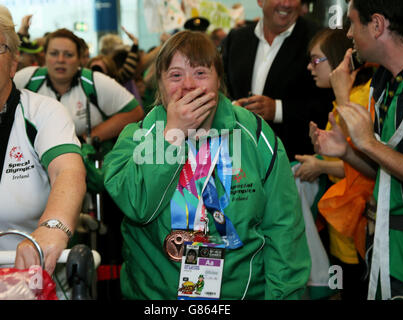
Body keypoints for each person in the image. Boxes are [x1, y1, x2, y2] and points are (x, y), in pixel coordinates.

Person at [103, 30, 310, 300]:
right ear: (160, 84)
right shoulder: (137, 136)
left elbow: (284, 228)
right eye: (175, 75)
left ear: (219, 80)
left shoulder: (255, 135)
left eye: (200, 73)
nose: (188, 85)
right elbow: (139, 207)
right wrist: (173, 135)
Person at [0, 1, 86, 276]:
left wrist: (52, 228)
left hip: (29, 279)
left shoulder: (43, 112)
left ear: (13, 61)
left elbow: (67, 170)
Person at [311, 0, 403, 300]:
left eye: (353, 23)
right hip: (381, 244)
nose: (349, 34)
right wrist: (348, 153)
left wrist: (368, 143)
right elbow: (383, 171)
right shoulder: (382, 82)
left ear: (377, 25)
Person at [295, 28, 374, 300]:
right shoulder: (348, 99)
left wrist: (321, 167)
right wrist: (320, 155)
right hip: (341, 226)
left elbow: (372, 168)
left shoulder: (360, 100)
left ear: (340, 60)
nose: (310, 67)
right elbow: (343, 155)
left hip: (358, 226)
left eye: (317, 60)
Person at [221, 0, 333, 162]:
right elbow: (221, 88)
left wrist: (278, 110)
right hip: (240, 159)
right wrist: (232, 108)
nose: (286, 4)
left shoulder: (318, 40)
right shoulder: (236, 39)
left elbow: (328, 103)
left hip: (294, 165)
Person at [13, 28, 144, 143]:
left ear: (80, 59)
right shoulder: (26, 79)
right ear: (44, 56)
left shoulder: (94, 82)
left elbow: (135, 112)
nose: (60, 60)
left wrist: (88, 138)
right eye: (54, 53)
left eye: (68, 55)